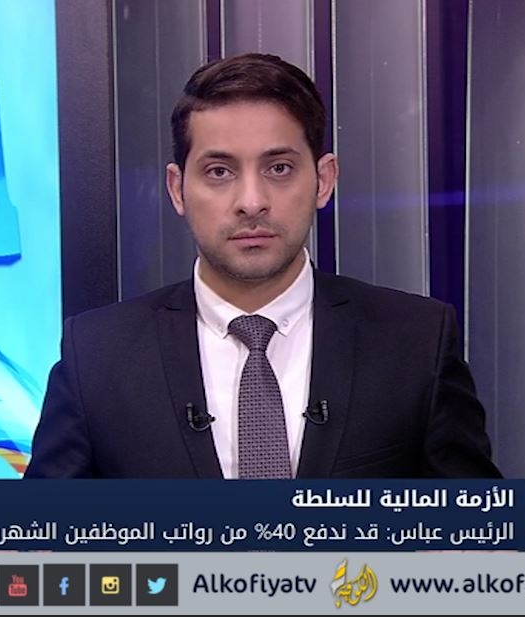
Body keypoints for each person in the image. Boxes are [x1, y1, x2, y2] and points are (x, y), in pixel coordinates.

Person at [25, 53, 500, 479]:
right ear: (177, 189)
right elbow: (38, 537)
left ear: (323, 180)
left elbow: (480, 532)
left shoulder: (415, 342)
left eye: (279, 168)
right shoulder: (97, 355)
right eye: (219, 172)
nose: (251, 202)